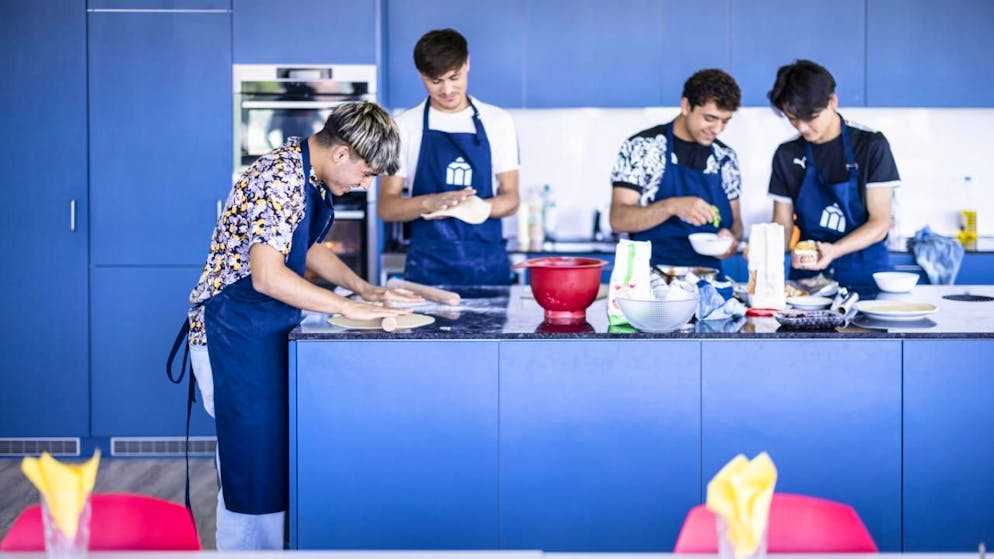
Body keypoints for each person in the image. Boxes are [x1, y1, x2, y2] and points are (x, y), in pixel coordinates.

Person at [182, 101, 420, 549]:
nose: (366, 185)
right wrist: (346, 308)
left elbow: (305, 247)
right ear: (341, 153)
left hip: (261, 331)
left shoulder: (306, 173)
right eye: (366, 173)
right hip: (233, 335)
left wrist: (364, 289)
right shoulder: (280, 177)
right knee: (253, 470)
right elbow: (267, 276)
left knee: (273, 462)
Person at [378, 28, 520, 285]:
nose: (447, 89)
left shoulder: (498, 122)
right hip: (427, 272)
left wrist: (474, 208)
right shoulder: (403, 126)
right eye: (435, 80)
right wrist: (429, 203)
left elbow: (511, 199)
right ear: (421, 75)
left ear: (467, 64)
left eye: (455, 77)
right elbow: (387, 207)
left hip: (487, 269)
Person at [767, 59, 900, 291]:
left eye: (810, 117)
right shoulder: (787, 154)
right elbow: (783, 226)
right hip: (808, 277)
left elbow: (880, 222)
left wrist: (834, 251)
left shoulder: (871, 145)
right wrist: (765, 249)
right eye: (793, 119)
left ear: (832, 102)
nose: (802, 128)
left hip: (864, 273)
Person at [610, 69, 744, 268]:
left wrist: (731, 238)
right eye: (710, 118)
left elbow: (737, 224)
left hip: (707, 277)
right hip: (650, 276)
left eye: (724, 121)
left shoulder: (725, 158)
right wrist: (671, 206)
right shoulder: (642, 147)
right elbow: (618, 219)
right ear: (686, 106)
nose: (717, 129)